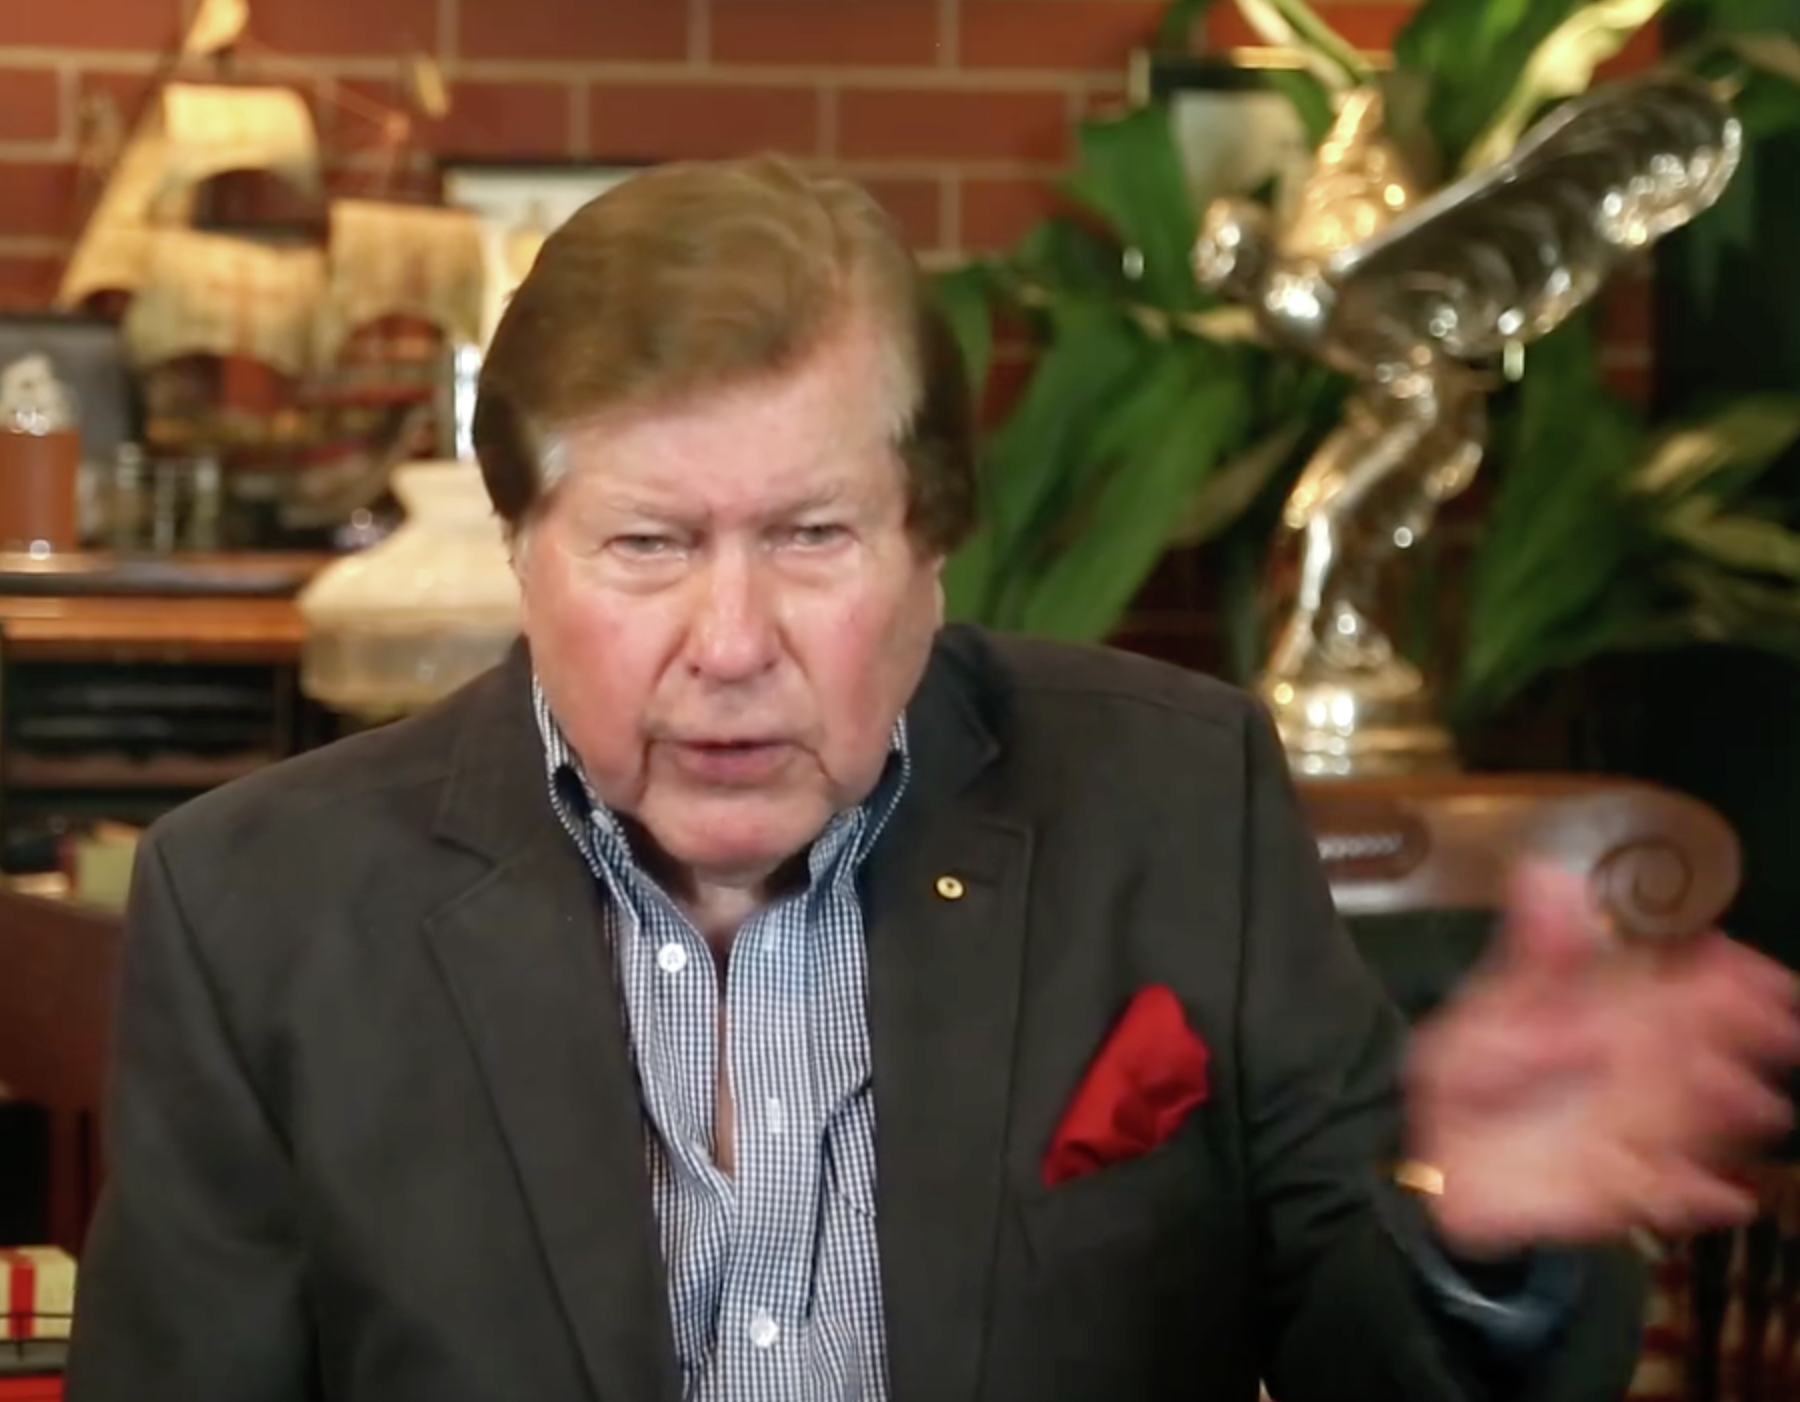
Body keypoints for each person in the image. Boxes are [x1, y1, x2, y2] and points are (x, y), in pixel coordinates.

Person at [66, 155, 1800, 1402]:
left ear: (933, 548)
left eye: (812, 536)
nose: (730, 643)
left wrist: (1472, 1235)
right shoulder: (265, 907)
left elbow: (1374, 1358)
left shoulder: (1176, 804)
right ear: (521, 546)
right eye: (648, 544)